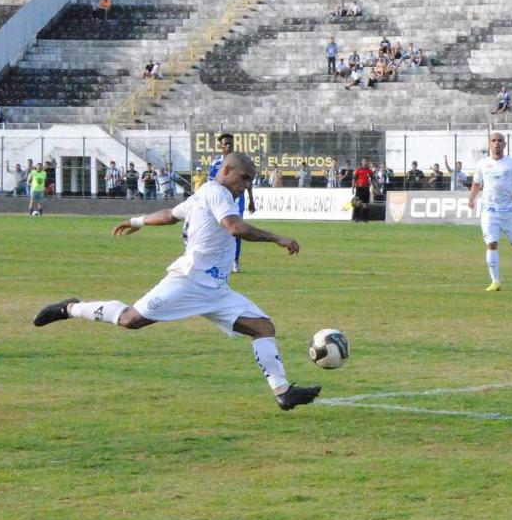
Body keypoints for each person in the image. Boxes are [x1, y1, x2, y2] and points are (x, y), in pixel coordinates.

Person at [32, 152, 321, 411]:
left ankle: (283, 392)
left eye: (250, 181)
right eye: (244, 178)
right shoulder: (217, 192)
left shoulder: (205, 195)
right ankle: (70, 308)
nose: (245, 185)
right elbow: (235, 228)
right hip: (188, 282)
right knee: (131, 320)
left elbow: (171, 214)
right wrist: (277, 238)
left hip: (216, 290)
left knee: (263, 327)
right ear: (227, 170)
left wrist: (136, 222)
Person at [468, 132, 512, 292]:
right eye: (494, 141)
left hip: (509, 211)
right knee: (491, 243)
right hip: (489, 210)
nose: (497, 143)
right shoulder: (482, 164)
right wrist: (471, 199)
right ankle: (495, 281)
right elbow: (476, 184)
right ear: (490, 144)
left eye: (500, 141)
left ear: (505, 144)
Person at [208, 133, 256, 274]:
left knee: (236, 230)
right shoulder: (216, 163)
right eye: (226, 144)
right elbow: (210, 183)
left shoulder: (239, 162)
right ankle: (216, 260)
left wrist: (251, 200)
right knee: (216, 229)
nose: (229, 146)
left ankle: (235, 260)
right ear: (221, 146)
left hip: (236, 200)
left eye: (230, 143)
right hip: (219, 201)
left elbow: (248, 183)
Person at [350, 157, 374, 222]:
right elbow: (354, 179)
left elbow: (372, 180)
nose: (365, 163)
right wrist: (352, 188)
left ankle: (364, 219)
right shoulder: (358, 170)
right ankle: (356, 218)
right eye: (363, 161)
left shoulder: (370, 171)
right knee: (358, 203)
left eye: (366, 161)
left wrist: (373, 187)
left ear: (368, 162)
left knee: (365, 204)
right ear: (362, 162)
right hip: (359, 188)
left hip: (366, 188)